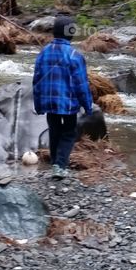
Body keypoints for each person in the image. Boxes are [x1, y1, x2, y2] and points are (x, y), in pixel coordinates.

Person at [32, 15, 93, 178]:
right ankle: (60, 165)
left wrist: (38, 104)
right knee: (69, 132)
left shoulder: (43, 53)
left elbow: (36, 80)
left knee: (54, 130)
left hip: (49, 102)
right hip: (68, 104)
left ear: (54, 33)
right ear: (71, 34)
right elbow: (81, 84)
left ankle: (55, 164)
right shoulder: (75, 55)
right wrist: (87, 105)